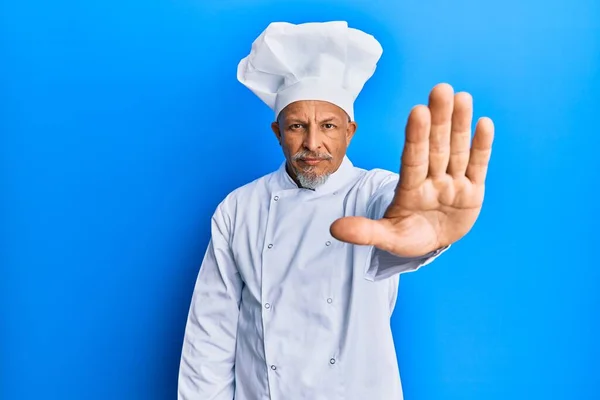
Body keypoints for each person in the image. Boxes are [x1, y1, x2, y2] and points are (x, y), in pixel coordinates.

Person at [177, 21, 494, 400]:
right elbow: (210, 336)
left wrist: (430, 236)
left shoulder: (376, 192)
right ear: (277, 132)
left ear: (350, 131)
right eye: (297, 126)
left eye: (328, 125)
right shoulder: (238, 209)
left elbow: (400, 223)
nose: (313, 143)